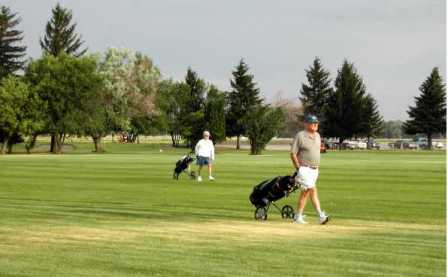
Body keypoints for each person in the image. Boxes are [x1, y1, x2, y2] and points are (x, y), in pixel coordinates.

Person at [290, 115, 329, 224]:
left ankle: (299, 217)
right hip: (304, 169)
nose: (316, 124)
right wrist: (298, 168)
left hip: (315, 170)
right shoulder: (300, 136)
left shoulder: (317, 135)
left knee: (307, 192)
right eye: (313, 123)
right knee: (310, 191)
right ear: (306, 124)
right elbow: (293, 153)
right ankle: (320, 215)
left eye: (316, 123)